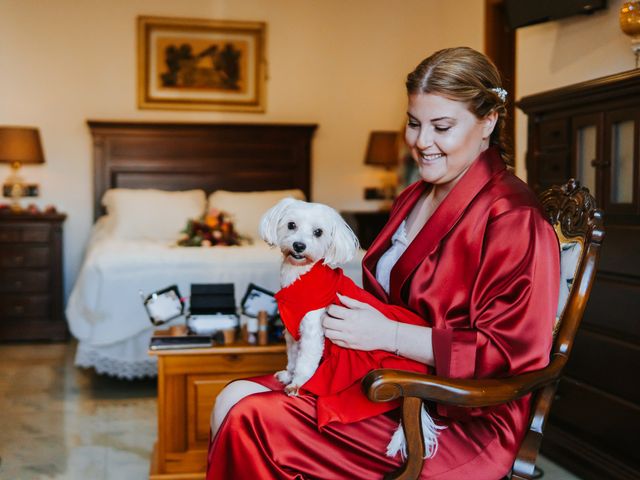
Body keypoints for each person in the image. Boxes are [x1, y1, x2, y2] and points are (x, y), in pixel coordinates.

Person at [206, 46, 560, 480]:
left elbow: (508, 355)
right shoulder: (415, 197)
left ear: (487, 121)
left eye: (442, 127)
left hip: (458, 413)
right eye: (414, 124)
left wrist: (390, 334)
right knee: (232, 396)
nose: (421, 142)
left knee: (250, 419)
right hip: (385, 375)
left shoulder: (512, 217)